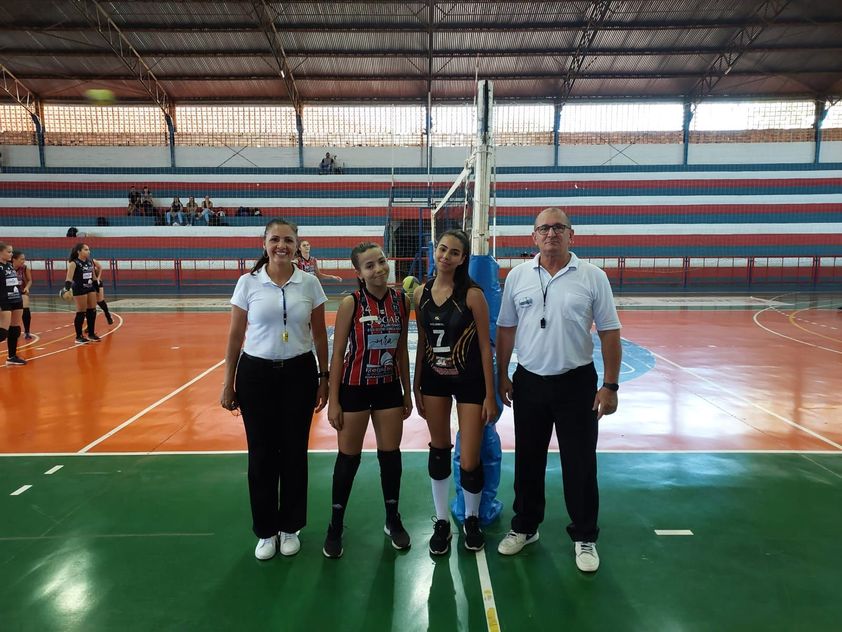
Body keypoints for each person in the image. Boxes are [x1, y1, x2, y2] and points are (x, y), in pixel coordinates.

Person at [495, 207, 621, 573]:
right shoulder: (518, 276)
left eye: (558, 228)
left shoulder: (593, 277)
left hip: (576, 383)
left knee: (580, 463)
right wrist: (503, 374)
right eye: (544, 228)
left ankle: (585, 535)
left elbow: (610, 332)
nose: (551, 233)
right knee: (527, 460)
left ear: (571, 235)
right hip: (529, 381)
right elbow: (505, 328)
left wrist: (609, 385)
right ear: (533, 236)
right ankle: (525, 527)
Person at [220, 218, 329, 561]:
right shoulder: (247, 283)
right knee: (262, 454)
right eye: (275, 239)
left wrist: (323, 377)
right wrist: (228, 383)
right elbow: (236, 337)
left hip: (299, 373)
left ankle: (290, 526)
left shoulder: (309, 283)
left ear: (297, 244)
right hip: (256, 375)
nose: (281, 245)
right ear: (264, 243)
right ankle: (266, 530)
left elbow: (321, 335)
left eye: (288, 240)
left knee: (295, 452)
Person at [322, 243, 413, 559]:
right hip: (354, 388)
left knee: (390, 456)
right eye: (370, 265)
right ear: (359, 273)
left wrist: (407, 392)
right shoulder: (351, 303)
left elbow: (401, 349)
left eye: (382, 262)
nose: (379, 269)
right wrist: (334, 401)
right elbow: (337, 357)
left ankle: (392, 518)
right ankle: (335, 524)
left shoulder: (401, 300)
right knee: (348, 458)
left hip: (388, 388)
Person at [412, 229, 497, 554]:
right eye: (442, 250)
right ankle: (442, 521)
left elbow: (485, 348)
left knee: (471, 458)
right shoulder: (420, 293)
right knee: (439, 449)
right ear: (436, 252)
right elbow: (421, 343)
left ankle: (472, 518)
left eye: (453, 252)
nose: (445, 256)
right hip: (434, 380)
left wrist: (490, 395)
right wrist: (417, 384)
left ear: (463, 259)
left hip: (470, 382)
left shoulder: (473, 295)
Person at [60, 243, 101, 344]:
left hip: (90, 287)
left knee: (92, 311)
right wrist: (66, 290)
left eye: (88, 249)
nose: (88, 251)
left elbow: (94, 277)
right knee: (81, 312)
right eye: (86, 249)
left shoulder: (90, 262)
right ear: (79, 251)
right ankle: (78, 336)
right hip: (79, 289)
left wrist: (97, 288)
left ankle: (91, 334)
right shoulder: (74, 263)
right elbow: (68, 279)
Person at [0, 242, 26, 365]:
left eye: (11, 252)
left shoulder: (10, 266)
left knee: (15, 329)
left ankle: (11, 357)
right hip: (4, 301)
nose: (11, 254)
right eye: (8, 252)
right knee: (2, 333)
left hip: (16, 299)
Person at [12, 250, 33, 339]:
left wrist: (27, 287)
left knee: (26, 309)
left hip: (21, 290)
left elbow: (30, 280)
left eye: (24, 259)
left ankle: (27, 331)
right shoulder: (7, 268)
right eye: (21, 259)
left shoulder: (24, 268)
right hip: (9, 292)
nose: (23, 261)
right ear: (14, 259)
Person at [92, 257, 114, 326]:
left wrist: (98, 278)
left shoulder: (92, 261)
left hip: (96, 282)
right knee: (90, 306)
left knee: (100, 301)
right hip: (87, 284)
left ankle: (108, 316)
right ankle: (90, 326)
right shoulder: (76, 263)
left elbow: (100, 267)